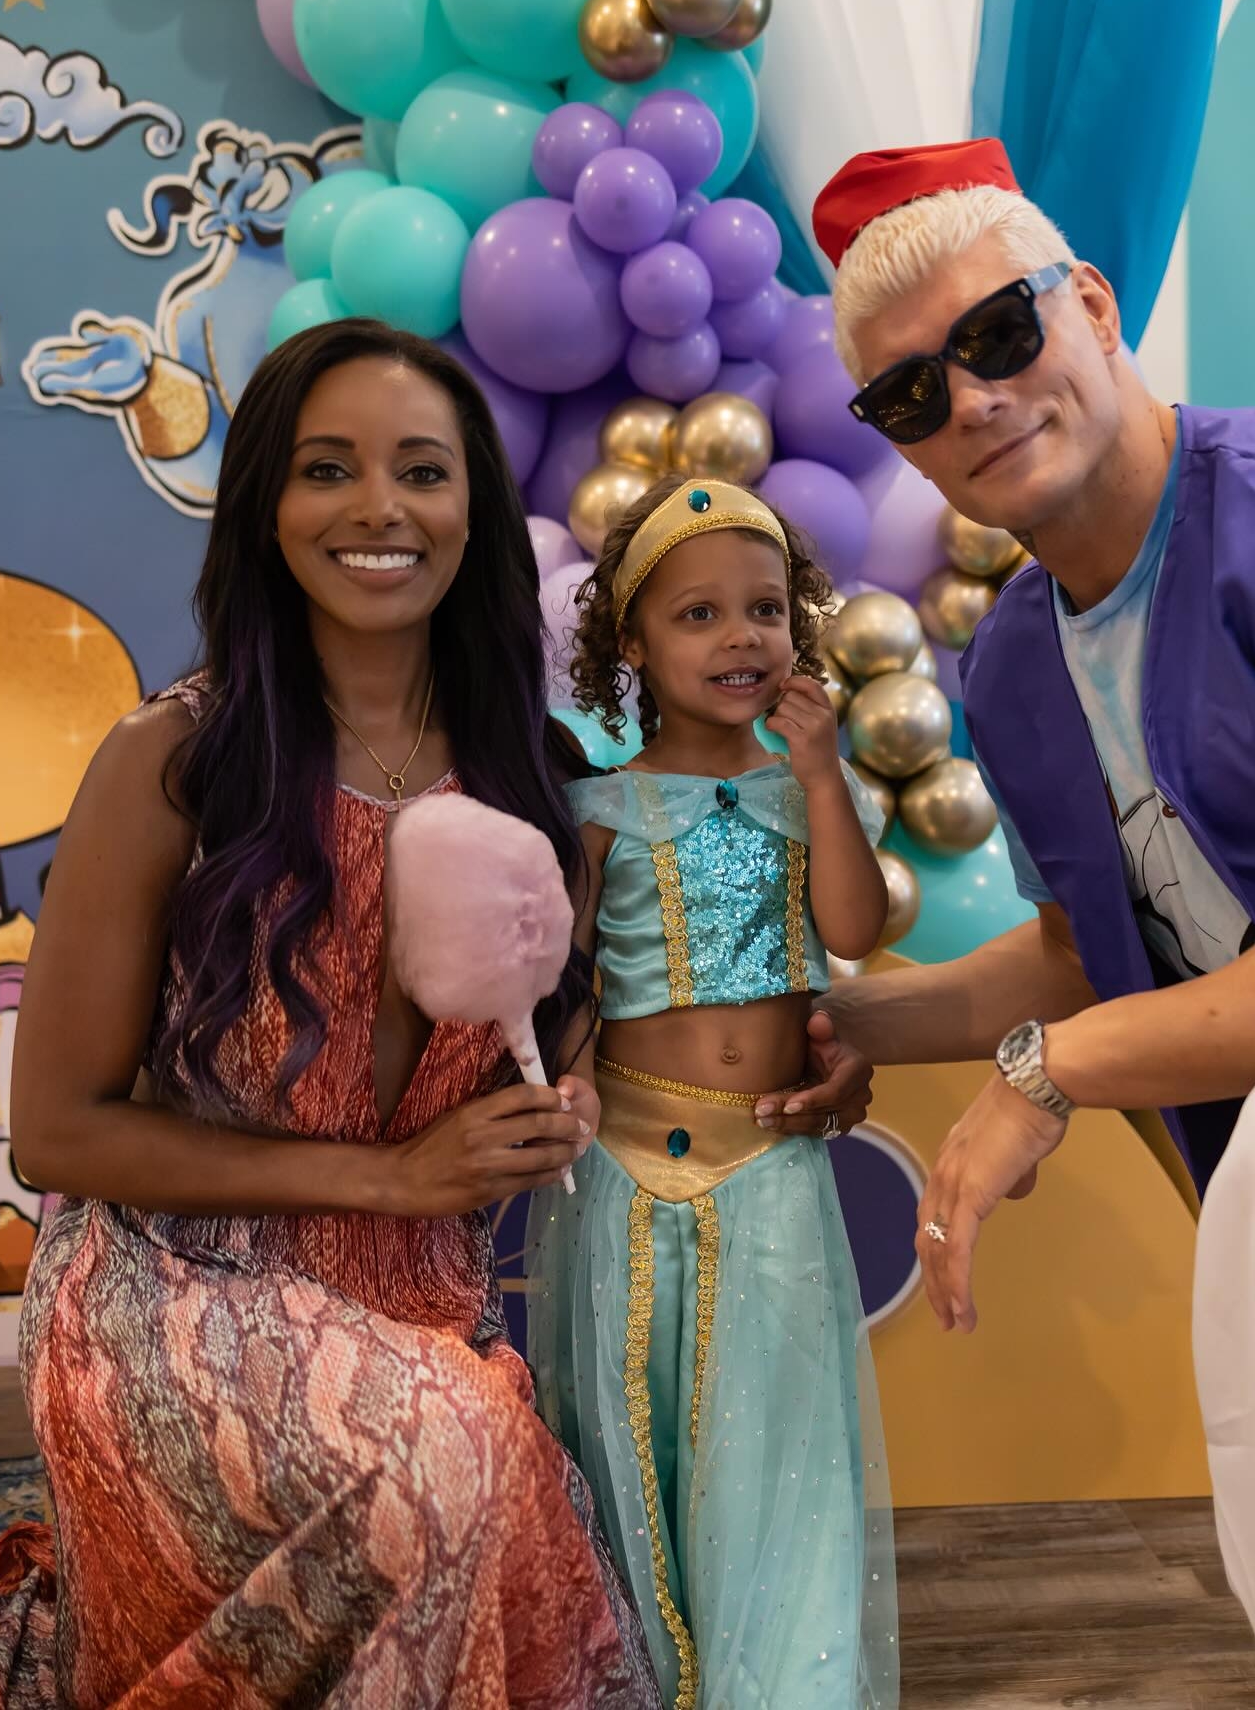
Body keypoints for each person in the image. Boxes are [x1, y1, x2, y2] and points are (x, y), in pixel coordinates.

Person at [800, 137, 1255, 1710]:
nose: (973, 400)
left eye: (1000, 334)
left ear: (1090, 302)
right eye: (910, 395)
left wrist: (1054, 1071)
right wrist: (840, 1019)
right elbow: (1095, 949)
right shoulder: (1014, 660)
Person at [0, 319, 661, 1708]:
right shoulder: (174, 760)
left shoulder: (539, 779)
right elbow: (55, 1132)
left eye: (423, 470)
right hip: (172, 1291)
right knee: (452, 1462)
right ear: (265, 508)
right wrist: (391, 1177)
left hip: (421, 1306)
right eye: (327, 469)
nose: (378, 509)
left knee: (485, 1470)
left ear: (474, 506)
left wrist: (560, 1105)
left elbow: (554, 1048)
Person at [526, 476, 900, 1710]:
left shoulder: (808, 794)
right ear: (631, 643)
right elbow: (569, 985)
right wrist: (568, 1088)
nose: (742, 636)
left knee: (774, 1436)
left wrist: (825, 775)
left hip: (772, 1164)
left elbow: (852, 927)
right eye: (699, 614)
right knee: (639, 1433)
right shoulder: (600, 808)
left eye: (766, 609)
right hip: (628, 1166)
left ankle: (785, 1685)